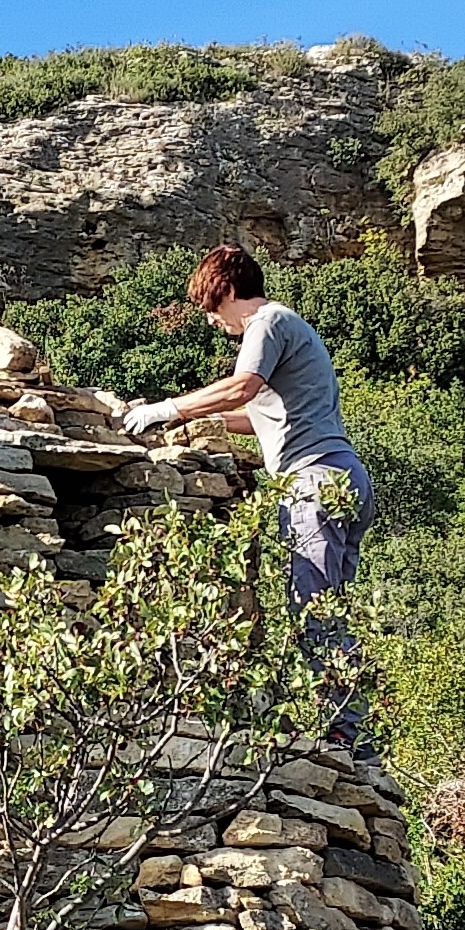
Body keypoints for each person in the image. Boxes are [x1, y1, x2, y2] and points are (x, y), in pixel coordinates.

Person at [118, 243, 375, 744]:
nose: (215, 323)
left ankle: (345, 737)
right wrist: (197, 423)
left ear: (230, 292)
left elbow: (241, 387)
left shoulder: (269, 323)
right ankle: (353, 730)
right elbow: (252, 416)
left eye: (213, 310)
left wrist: (167, 409)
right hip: (341, 478)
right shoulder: (290, 335)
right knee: (331, 610)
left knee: (314, 609)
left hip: (314, 479)